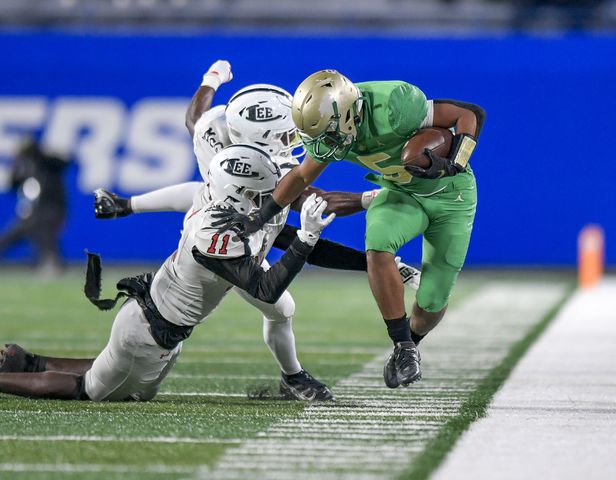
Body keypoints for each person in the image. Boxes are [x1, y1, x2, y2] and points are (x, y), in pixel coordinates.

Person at [93, 62, 420, 398]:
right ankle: (291, 377)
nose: (293, 136)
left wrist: (212, 80)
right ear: (259, 138)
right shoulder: (264, 173)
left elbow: (195, 120)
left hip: (236, 231)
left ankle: (292, 376)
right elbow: (314, 206)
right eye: (283, 134)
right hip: (224, 245)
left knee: (281, 306)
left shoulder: (222, 143)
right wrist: (374, 198)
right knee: (272, 297)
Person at [212, 69, 486, 388]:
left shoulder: (393, 106)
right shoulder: (329, 124)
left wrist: (457, 159)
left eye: (328, 133)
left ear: (347, 113)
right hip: (400, 193)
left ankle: (412, 340)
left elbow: (469, 114)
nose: (323, 144)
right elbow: (300, 177)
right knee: (378, 248)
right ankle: (403, 346)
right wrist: (259, 217)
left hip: (453, 197)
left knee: (430, 303)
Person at [0, 144, 335, 402]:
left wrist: (364, 259)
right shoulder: (216, 233)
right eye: (259, 194)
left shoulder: (214, 203)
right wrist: (305, 237)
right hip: (149, 332)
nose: (269, 200)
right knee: (89, 389)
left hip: (154, 324)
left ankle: (28, 361)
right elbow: (265, 290)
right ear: (237, 193)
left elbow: (192, 194)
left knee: (123, 379)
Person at [0, 137, 69, 276]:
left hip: (51, 210)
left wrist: (40, 153)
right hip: (32, 212)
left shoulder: (47, 164)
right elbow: (14, 184)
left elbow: (65, 162)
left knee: (45, 236)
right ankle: (49, 263)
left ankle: (51, 264)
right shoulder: (25, 167)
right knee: (11, 236)